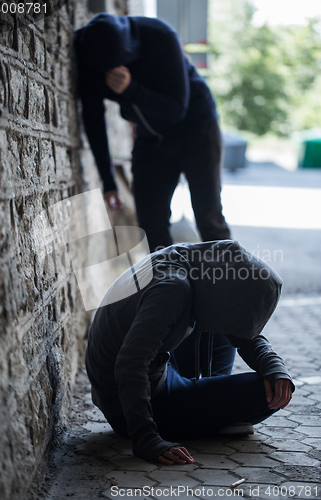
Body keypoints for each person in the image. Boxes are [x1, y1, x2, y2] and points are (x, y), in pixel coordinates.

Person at [85, 240, 294, 464]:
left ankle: (206, 401)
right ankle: (209, 411)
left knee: (221, 322)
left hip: (156, 368)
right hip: (133, 406)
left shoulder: (186, 261)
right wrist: (146, 438)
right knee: (263, 394)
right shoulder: (171, 289)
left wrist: (273, 365)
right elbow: (130, 363)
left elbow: (239, 330)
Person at [74, 14, 231, 252]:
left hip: (197, 128)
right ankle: (169, 285)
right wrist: (108, 182)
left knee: (208, 216)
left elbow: (177, 109)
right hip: (150, 138)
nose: (111, 71)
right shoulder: (88, 52)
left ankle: (231, 284)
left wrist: (131, 89)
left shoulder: (160, 36)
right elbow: (93, 119)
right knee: (150, 223)